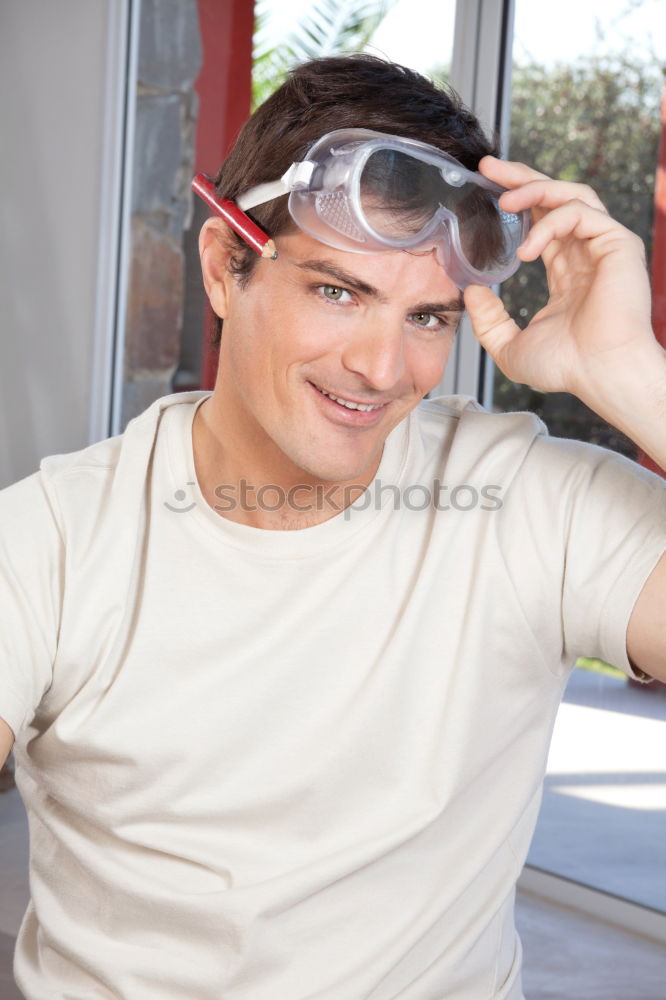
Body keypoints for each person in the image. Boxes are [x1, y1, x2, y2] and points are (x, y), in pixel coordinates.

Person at [1, 53, 664, 1000]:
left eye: (429, 316)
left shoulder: (527, 502)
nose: (383, 366)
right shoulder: (53, 538)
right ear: (228, 267)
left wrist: (637, 378)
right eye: (337, 291)